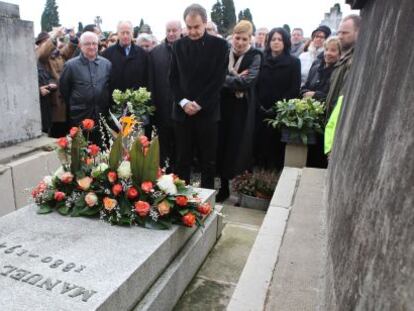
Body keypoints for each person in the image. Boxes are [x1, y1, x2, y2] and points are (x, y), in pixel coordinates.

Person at [170, 3, 228, 189]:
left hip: (207, 112)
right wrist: (184, 102)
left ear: (205, 23)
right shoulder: (178, 45)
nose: (193, 31)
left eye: (197, 27)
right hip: (182, 112)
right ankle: (180, 200)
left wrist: (199, 103)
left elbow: (218, 80)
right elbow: (172, 79)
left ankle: (206, 203)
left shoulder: (220, 46)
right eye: (189, 27)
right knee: (182, 160)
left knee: (208, 161)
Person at [216, 20, 262, 202]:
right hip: (222, 108)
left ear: (250, 39)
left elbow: (248, 82)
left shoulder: (255, 56)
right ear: (232, 37)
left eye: (244, 39)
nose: (240, 42)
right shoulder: (224, 53)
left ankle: (243, 190)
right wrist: (233, 79)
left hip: (242, 111)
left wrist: (225, 79)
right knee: (220, 148)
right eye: (237, 38)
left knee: (240, 150)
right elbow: (215, 76)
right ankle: (223, 188)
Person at [255, 27, 301, 170]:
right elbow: (254, 84)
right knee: (259, 145)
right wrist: (259, 105)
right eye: (273, 39)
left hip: (281, 112)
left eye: (279, 39)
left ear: (285, 42)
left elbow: (294, 88)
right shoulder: (261, 59)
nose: (276, 42)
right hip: (260, 110)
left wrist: (277, 107)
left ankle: (273, 177)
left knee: (276, 148)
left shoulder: (294, 62)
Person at [59, 32, 112, 145]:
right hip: (80, 116)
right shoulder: (71, 65)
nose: (92, 47)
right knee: (81, 150)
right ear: (80, 45)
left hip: (101, 115)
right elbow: (64, 89)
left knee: (101, 148)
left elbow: (108, 87)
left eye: (94, 43)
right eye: (87, 44)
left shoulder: (106, 64)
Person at [300, 37, 341, 168]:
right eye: (327, 49)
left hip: (326, 119)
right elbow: (304, 87)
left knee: (319, 156)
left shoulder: (338, 72)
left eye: (333, 50)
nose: (328, 53)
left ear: (340, 54)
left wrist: (315, 95)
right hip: (309, 117)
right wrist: (305, 93)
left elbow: (334, 96)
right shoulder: (316, 67)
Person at [149, 20, 182, 172]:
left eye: (174, 30)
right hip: (162, 107)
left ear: (180, 30)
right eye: (168, 30)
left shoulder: (188, 49)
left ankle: (179, 176)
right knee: (163, 145)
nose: (171, 33)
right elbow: (151, 81)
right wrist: (153, 104)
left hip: (182, 108)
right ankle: (162, 175)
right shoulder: (155, 52)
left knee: (180, 146)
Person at [36, 27, 78, 137]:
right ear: (39, 44)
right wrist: (54, 36)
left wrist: (72, 37)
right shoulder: (42, 57)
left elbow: (68, 50)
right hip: (53, 105)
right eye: (46, 42)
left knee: (66, 134)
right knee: (56, 135)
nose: (49, 44)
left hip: (65, 104)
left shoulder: (58, 55)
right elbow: (44, 53)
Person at [102, 21, 149, 103]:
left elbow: (147, 79)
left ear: (132, 33)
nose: (125, 36)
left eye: (128, 33)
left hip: (137, 104)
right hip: (114, 104)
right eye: (122, 33)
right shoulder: (107, 54)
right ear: (118, 34)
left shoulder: (143, 54)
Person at [325, 15, 361, 118]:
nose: (340, 36)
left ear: (358, 32)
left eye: (345, 33)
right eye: (339, 32)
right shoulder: (343, 58)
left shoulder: (355, 59)